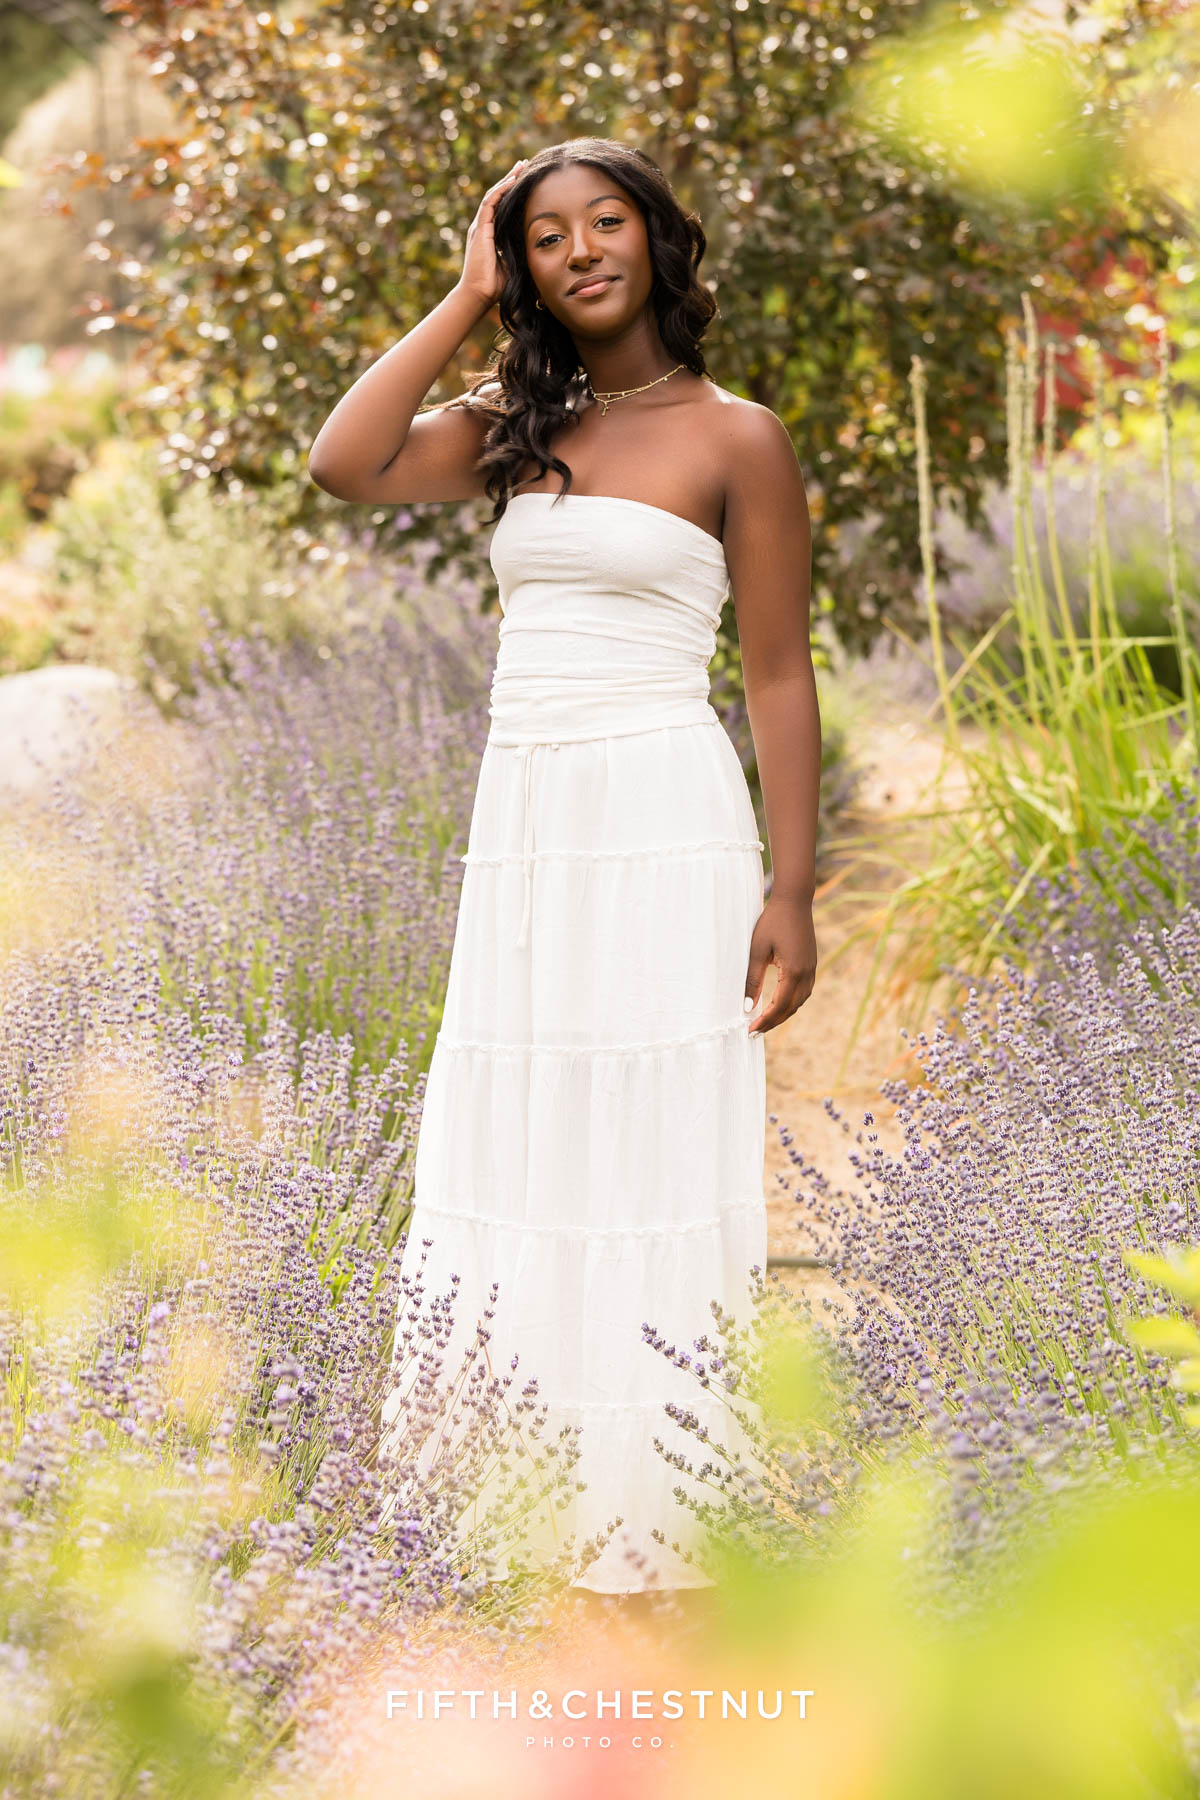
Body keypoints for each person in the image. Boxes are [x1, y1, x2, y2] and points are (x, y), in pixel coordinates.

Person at [308, 138, 819, 1607]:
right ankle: (509, 1483)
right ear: (519, 262)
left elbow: (777, 676)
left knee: (647, 1122)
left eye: (607, 223)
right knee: (526, 1116)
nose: (581, 250)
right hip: (528, 818)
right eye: (544, 236)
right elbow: (343, 462)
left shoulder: (740, 438)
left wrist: (794, 889)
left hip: (665, 807)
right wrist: (461, 301)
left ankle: (661, 1495)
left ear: (657, 242)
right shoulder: (510, 424)